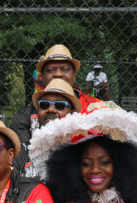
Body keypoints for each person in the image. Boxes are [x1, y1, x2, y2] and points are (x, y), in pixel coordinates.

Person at [8, 44, 101, 175]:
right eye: (51, 70)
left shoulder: (97, 107)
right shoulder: (25, 116)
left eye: (64, 69)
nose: (58, 74)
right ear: (41, 76)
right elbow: (20, 157)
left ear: (74, 75)